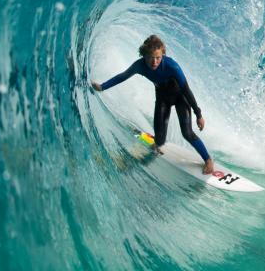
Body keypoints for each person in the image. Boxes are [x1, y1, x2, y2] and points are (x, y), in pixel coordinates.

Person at [91, 35, 214, 174]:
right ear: (144, 55)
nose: (154, 62)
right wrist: (102, 86)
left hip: (181, 98)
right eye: (151, 57)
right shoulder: (140, 66)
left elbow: (186, 90)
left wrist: (198, 114)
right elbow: (122, 76)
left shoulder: (172, 66)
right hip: (163, 99)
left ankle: (208, 160)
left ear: (163, 55)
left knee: (187, 133)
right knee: (160, 141)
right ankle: (157, 141)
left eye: (158, 58)